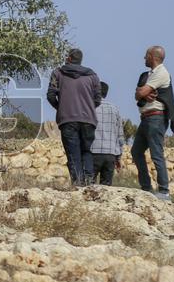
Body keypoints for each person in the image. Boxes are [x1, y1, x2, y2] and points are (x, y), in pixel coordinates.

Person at [46, 48, 102, 186]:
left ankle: (78, 185)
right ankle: (89, 184)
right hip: (88, 120)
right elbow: (98, 99)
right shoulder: (93, 76)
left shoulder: (58, 73)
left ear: (69, 59)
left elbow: (51, 95)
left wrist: (61, 108)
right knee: (86, 151)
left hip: (67, 120)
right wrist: (87, 108)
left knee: (73, 154)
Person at [132, 45, 174, 201]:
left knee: (156, 153)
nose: (144, 58)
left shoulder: (161, 73)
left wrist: (142, 93)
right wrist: (143, 93)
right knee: (136, 151)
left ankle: (164, 191)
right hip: (146, 118)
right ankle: (146, 188)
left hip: (156, 118)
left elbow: (141, 92)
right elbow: (138, 94)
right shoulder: (147, 75)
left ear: (153, 56)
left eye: (146, 55)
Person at [89, 82, 123, 185]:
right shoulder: (115, 109)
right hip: (110, 154)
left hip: (93, 152)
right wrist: (118, 157)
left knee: (88, 186)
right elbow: (120, 136)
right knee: (106, 188)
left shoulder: (90, 107)